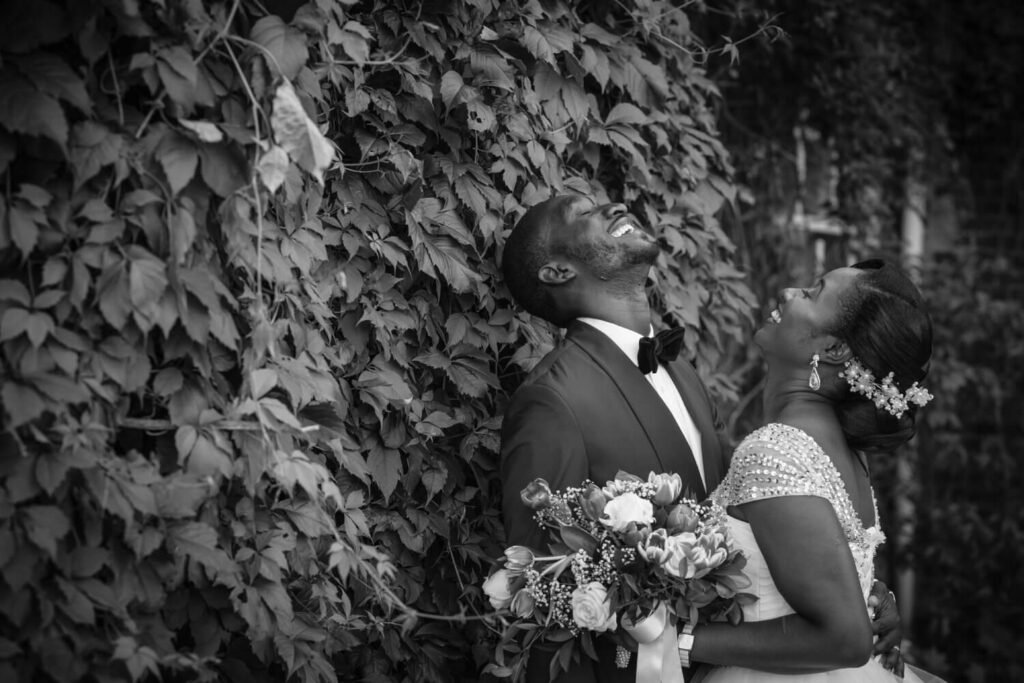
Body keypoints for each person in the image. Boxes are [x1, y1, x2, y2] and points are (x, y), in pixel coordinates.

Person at [498, 193, 902, 683]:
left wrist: (858, 594)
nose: (614, 206)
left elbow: (756, 525)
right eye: (584, 213)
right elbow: (547, 609)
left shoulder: (682, 372)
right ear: (558, 272)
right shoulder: (552, 402)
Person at [684, 260, 943, 683]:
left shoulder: (776, 451)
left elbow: (845, 638)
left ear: (835, 350)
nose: (789, 292)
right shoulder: (841, 448)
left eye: (811, 293)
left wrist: (678, 639)